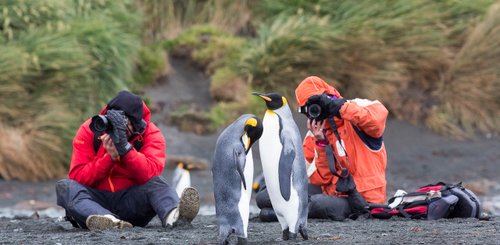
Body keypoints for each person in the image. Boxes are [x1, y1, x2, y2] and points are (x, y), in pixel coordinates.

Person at [56, 90, 200, 230]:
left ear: (136, 124)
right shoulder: (92, 129)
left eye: (124, 124)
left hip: (132, 205)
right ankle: (107, 221)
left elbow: (149, 173)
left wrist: (125, 149)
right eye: (111, 121)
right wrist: (109, 159)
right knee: (66, 187)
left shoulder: (151, 133)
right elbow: (78, 177)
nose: (115, 128)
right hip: (94, 204)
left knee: (157, 183)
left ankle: (174, 217)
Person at [255, 76, 388, 221]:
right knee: (265, 196)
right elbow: (319, 180)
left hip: (363, 198)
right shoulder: (314, 134)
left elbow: (377, 122)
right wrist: (321, 143)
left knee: (317, 204)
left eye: (318, 103)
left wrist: (339, 107)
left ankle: (284, 213)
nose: (316, 110)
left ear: (329, 96)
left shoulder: (356, 109)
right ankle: (286, 212)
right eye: (310, 108)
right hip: (330, 192)